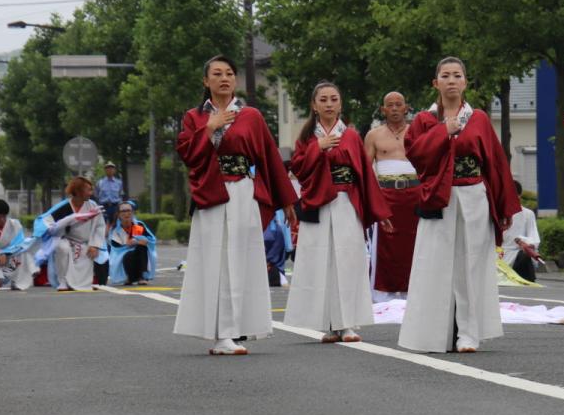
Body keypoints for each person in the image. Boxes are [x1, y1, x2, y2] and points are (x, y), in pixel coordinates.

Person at [173, 55, 297, 356]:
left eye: (229, 73)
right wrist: (209, 128)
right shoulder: (194, 117)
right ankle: (222, 333)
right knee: (218, 262)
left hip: (243, 191)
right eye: (216, 74)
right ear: (206, 81)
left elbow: (268, 157)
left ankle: (237, 327)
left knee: (243, 259)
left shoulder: (250, 115)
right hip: (213, 194)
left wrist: (287, 201)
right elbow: (187, 154)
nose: (224, 78)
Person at [398, 57, 520, 353]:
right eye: (445, 76)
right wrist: (444, 131)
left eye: (457, 76)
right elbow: (415, 154)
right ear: (435, 83)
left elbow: (495, 164)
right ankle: (432, 333)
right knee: (435, 265)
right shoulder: (425, 120)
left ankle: (468, 333)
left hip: (474, 196)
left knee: (472, 265)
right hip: (439, 198)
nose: (451, 81)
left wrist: (503, 208)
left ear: (465, 82)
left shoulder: (477, 118)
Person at [285, 82, 393, 343]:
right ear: (314, 105)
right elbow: (298, 169)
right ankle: (330, 324)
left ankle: (348, 323)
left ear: (340, 104)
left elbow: (365, 175)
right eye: (323, 99)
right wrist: (317, 148)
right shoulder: (306, 138)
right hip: (318, 204)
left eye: (334, 99)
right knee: (319, 263)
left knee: (348, 261)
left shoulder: (352, 136)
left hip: (346, 201)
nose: (329, 104)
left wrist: (379, 211)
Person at [364, 90, 420, 300]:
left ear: (406, 108)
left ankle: (414, 292)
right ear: (383, 109)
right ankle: (381, 293)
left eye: (399, 104)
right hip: (386, 195)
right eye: (390, 105)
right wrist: (372, 200)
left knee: (415, 243)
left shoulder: (417, 131)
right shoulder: (374, 135)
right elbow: (366, 170)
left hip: (415, 194)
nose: (395, 108)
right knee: (385, 245)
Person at [36, 176, 108, 291]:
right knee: (61, 247)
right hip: (67, 242)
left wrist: (95, 245)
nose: (91, 192)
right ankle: (63, 281)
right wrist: (59, 227)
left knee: (89, 256)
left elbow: (100, 226)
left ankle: (82, 283)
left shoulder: (93, 205)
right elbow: (48, 222)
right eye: (88, 189)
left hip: (85, 244)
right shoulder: (64, 207)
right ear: (78, 191)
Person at [0, 199, 38, 291]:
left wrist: (5, 253)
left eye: (4, 216)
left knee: (24, 252)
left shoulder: (15, 224)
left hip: (10, 258)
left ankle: (17, 281)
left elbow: (20, 243)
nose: (2, 220)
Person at [107, 201, 157, 286]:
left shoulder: (138, 225)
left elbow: (150, 239)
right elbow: (116, 247)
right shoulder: (116, 229)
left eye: (129, 210)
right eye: (123, 211)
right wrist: (128, 244)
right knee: (128, 254)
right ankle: (129, 277)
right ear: (118, 214)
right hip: (123, 257)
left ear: (133, 212)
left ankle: (142, 277)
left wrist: (139, 241)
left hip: (139, 253)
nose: (127, 213)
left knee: (142, 247)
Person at [503, 180, 542, 283]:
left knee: (524, 257)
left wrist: (524, 241)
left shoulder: (527, 214)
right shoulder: (497, 213)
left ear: (519, 196)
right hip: (499, 255)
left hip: (517, 254)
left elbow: (534, 239)